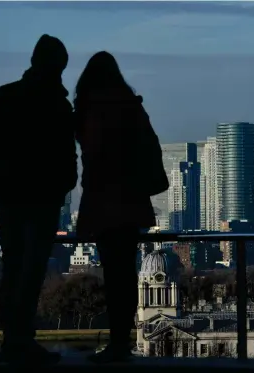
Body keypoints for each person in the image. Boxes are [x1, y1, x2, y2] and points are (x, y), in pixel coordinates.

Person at [0, 34, 77, 364]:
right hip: (43, 198)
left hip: (10, 197)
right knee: (32, 269)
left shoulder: (6, 96)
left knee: (15, 269)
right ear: (56, 66)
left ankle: (15, 340)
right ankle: (21, 341)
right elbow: (68, 154)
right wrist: (66, 182)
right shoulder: (57, 104)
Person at [74, 51, 168, 363]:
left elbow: (91, 158)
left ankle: (117, 343)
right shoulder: (131, 107)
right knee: (124, 273)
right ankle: (120, 342)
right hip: (129, 201)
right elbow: (151, 147)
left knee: (114, 274)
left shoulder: (88, 110)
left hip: (103, 202)